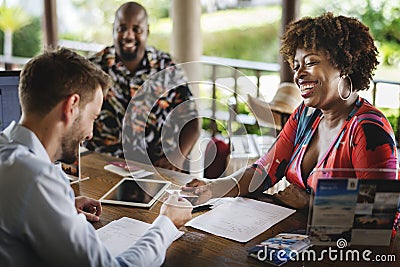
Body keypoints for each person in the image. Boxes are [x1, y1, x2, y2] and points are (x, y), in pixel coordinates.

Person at [0, 47, 192, 267]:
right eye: (93, 117)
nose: (90, 133)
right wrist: (166, 223)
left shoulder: (9, 154)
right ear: (71, 106)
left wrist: (60, 207)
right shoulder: (36, 179)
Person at [183, 13, 398, 208]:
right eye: (296, 66)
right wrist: (212, 188)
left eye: (311, 62)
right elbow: (264, 170)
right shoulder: (305, 115)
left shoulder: (369, 130)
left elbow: (381, 213)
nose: (299, 74)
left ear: (345, 66)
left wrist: (311, 203)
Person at [86, 1, 199, 173]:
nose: (128, 36)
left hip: (157, 170)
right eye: (122, 28)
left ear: (147, 31)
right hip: (104, 169)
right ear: (113, 29)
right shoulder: (94, 69)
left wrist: (176, 158)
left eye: (136, 29)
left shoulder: (167, 68)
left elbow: (192, 121)